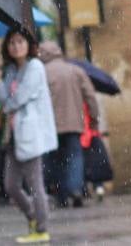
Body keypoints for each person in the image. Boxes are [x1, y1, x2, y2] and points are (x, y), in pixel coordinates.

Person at [0, 31, 55, 244]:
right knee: (10, 185)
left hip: (30, 133)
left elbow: (19, 98)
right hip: (12, 135)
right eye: (11, 42)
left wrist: (7, 106)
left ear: (29, 45)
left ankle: (42, 227)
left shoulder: (35, 67)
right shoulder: (10, 70)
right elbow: (3, 100)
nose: (16, 46)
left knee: (35, 183)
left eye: (20, 41)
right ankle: (32, 216)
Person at [36, 42, 98, 208]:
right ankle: (76, 189)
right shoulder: (76, 71)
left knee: (54, 160)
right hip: (74, 123)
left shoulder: (41, 73)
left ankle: (60, 193)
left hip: (50, 126)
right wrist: (94, 119)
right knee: (75, 157)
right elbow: (90, 97)